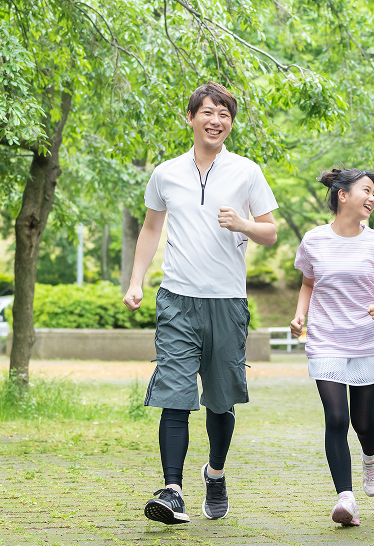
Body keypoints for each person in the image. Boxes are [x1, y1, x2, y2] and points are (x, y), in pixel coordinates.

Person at [122, 82, 278, 525]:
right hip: (177, 300)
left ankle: (215, 473)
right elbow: (151, 229)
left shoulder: (247, 171)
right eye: (208, 112)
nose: (216, 120)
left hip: (227, 302)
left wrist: (243, 224)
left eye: (224, 114)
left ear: (231, 123)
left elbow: (270, 232)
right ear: (190, 117)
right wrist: (136, 281)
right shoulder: (165, 173)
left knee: (220, 402)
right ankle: (172, 491)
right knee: (174, 395)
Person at [290, 168, 374, 526]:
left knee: (363, 423)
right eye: (366, 190)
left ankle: (371, 457)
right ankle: (346, 498)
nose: (372, 198)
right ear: (343, 195)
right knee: (337, 419)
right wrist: (300, 315)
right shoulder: (313, 240)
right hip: (326, 340)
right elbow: (308, 284)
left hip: (367, 341)